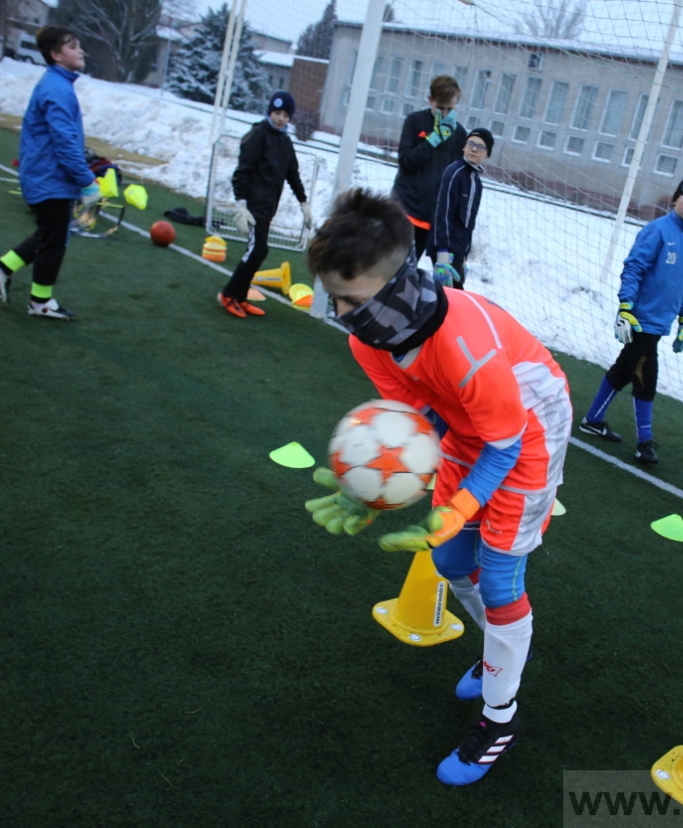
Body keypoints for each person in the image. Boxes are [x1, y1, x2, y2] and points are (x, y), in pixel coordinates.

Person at [304, 189, 571, 786]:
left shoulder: (466, 347)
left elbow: (505, 441)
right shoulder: (366, 339)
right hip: (469, 425)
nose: (342, 314)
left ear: (396, 284)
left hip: (528, 431)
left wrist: (461, 506)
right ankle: (496, 651)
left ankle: (500, 719)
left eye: (350, 300)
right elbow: (421, 424)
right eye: (334, 298)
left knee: (500, 576)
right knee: (451, 560)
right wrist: (370, 488)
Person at [578, 176, 683, 465]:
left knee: (624, 369)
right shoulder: (657, 231)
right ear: (675, 200)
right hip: (641, 321)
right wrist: (626, 306)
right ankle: (644, 442)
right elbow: (633, 267)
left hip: (661, 323)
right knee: (646, 376)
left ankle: (593, 419)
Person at [0, 26, 98, 321]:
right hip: (49, 177)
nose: (80, 50)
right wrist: (87, 181)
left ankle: (1, 269)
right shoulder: (56, 89)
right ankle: (40, 303)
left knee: (50, 233)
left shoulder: (59, 84)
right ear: (56, 55)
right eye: (73, 46)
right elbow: (64, 142)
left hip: (46, 175)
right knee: (55, 240)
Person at [218, 91, 311, 319]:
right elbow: (242, 172)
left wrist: (303, 202)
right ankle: (229, 294)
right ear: (269, 112)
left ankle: (240, 297)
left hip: (268, 207)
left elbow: (293, 174)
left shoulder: (285, 142)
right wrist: (241, 203)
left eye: (285, 115)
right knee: (257, 249)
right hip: (252, 206)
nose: (280, 118)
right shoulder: (257, 135)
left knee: (258, 251)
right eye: (277, 113)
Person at [392, 75, 467, 263]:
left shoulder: (459, 134)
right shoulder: (414, 121)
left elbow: (456, 177)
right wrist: (433, 140)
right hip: (404, 208)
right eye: (440, 108)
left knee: (411, 269)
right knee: (392, 264)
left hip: (431, 214)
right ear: (430, 100)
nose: (445, 113)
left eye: (450, 109)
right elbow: (406, 162)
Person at [428, 127, 492, 289]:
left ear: (487, 154)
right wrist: (442, 254)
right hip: (445, 251)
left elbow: (468, 223)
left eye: (480, 146)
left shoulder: (476, 182)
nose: (474, 149)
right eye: (471, 143)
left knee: (448, 299)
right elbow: (442, 213)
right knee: (449, 300)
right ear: (464, 146)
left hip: (458, 252)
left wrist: (464, 256)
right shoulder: (454, 172)